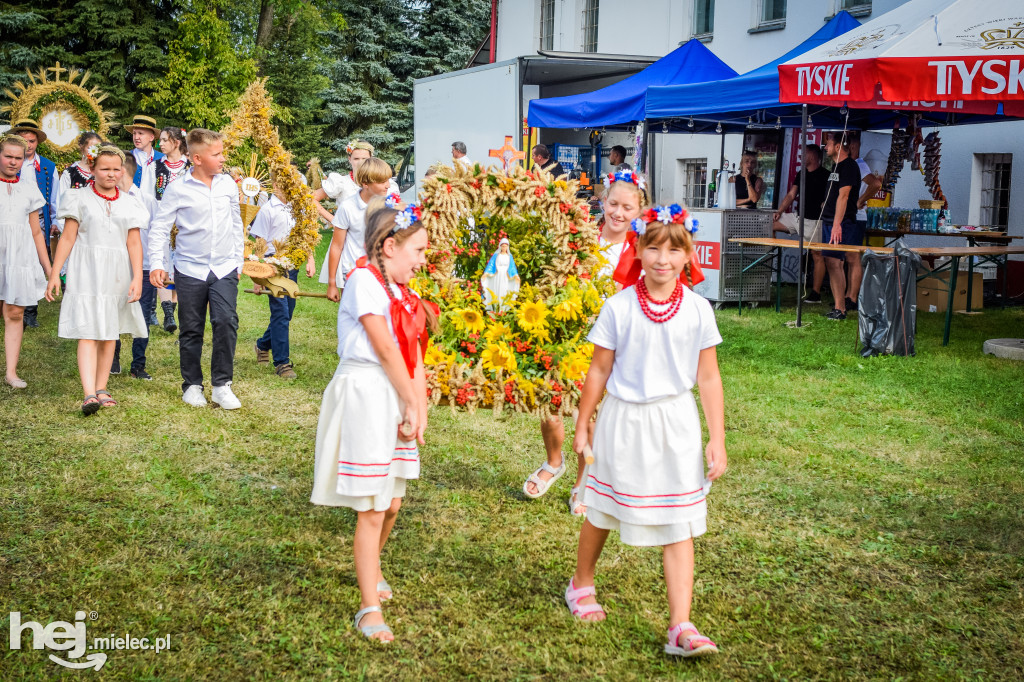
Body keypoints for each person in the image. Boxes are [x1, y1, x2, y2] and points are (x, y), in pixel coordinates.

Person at [565, 203, 726, 659]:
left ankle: (681, 624)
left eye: (673, 251)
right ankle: (582, 583)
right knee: (601, 509)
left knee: (680, 522)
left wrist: (717, 437)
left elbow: (709, 377)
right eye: (653, 248)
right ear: (638, 249)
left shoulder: (698, 309)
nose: (662, 260)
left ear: (688, 255)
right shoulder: (618, 307)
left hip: (676, 424)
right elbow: (597, 371)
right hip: (624, 420)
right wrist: (583, 424)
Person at [311, 202, 436, 643]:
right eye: (418, 250)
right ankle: (369, 608)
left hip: (394, 394)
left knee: (394, 502)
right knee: (372, 507)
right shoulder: (364, 280)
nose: (423, 260)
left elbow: (414, 354)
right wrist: (407, 398)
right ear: (389, 246)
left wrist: (416, 407)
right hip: (366, 392)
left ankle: (372, 566)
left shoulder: (403, 292)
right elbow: (384, 348)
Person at [523, 168, 648, 517]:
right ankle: (554, 461)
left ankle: (584, 480)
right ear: (603, 202)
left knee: (588, 414)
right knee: (549, 407)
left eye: (628, 207)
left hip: (609, 344)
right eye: (613, 204)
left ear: (639, 210)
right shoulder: (581, 238)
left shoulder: (641, 250)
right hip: (569, 330)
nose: (619, 213)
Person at [45, 145, 147, 415]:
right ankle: (89, 392)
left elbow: (134, 243)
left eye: (116, 169)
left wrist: (137, 277)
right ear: (92, 169)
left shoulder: (130, 202)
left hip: (117, 272)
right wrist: (55, 273)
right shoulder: (78, 198)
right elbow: (67, 238)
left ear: (123, 170)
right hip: (87, 270)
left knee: (109, 332)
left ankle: (102, 388)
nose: (111, 174)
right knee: (88, 331)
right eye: (105, 168)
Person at [148, 128, 244, 409]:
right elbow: (160, 228)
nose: (223, 158)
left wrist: (237, 261)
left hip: (224, 267)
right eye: (217, 154)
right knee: (191, 328)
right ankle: (191, 385)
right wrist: (158, 263)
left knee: (226, 321)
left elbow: (236, 224)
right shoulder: (178, 188)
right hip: (190, 269)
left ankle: (222, 385)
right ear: (198, 158)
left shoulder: (227, 185)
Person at [250, 182, 318, 379]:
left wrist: (310, 259)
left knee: (288, 312)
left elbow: (304, 237)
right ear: (276, 185)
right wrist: (257, 275)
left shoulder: (297, 208)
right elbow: (259, 243)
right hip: (271, 266)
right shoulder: (267, 210)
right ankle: (282, 363)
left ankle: (262, 345)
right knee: (280, 312)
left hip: (292, 265)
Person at [0, 134, 52, 388]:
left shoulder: (30, 188)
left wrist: (48, 268)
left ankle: (11, 372)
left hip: (19, 256)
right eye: (8, 156)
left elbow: (35, 231)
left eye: (18, 158)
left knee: (14, 311)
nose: (13, 162)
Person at [314, 139, 397, 283]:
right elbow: (311, 198)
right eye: (356, 158)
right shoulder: (341, 182)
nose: (360, 162)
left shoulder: (385, 185)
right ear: (349, 159)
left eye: (364, 158)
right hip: (347, 244)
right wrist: (333, 219)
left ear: (372, 159)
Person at [8, 119, 57, 329]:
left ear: (37, 143)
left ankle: (30, 310)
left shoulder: (47, 166)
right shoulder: (10, 162)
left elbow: (54, 197)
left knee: (35, 261)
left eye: (32, 141)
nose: (28, 145)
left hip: (38, 220)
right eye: (24, 140)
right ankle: (12, 302)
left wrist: (54, 220)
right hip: (14, 220)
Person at [111, 154, 156, 380]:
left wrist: (160, 264)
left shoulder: (145, 199)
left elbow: (157, 233)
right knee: (114, 309)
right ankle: (113, 358)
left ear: (123, 171)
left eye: (114, 169)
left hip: (144, 265)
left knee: (143, 314)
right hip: (117, 263)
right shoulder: (111, 199)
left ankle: (138, 364)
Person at [324, 158, 394, 299]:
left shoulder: (389, 205)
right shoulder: (348, 207)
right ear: (365, 184)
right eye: (382, 182)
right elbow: (337, 246)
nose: (387, 186)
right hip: (354, 273)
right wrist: (332, 283)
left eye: (388, 180)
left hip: (381, 272)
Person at [772, 144, 829, 303]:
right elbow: (791, 194)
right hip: (798, 218)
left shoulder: (826, 175)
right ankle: (768, 262)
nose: (801, 156)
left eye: (804, 153)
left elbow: (833, 197)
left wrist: (825, 204)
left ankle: (815, 293)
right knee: (770, 224)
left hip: (815, 220)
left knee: (817, 255)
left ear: (813, 156)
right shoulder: (801, 173)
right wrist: (780, 211)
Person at [819, 131, 863, 321]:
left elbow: (844, 197)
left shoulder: (849, 166)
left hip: (842, 222)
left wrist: (837, 225)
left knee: (836, 261)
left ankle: (841, 307)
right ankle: (839, 306)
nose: (825, 147)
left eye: (828, 144)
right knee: (831, 261)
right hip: (829, 220)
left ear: (838, 147)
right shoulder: (835, 166)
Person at [154, 126, 191, 333]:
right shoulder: (156, 166)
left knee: (180, 266)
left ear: (176, 143)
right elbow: (149, 195)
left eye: (165, 140)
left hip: (185, 223)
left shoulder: (189, 166)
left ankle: (174, 310)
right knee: (163, 263)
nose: (161, 144)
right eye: (160, 140)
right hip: (163, 220)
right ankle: (167, 312)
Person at [847, 132, 883, 312]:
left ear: (852, 147)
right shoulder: (851, 165)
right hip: (851, 216)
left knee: (853, 257)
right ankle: (848, 295)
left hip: (857, 217)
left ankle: (853, 298)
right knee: (849, 256)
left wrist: (860, 201)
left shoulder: (859, 165)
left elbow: (876, 184)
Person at [125, 115, 165, 203]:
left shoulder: (162, 159)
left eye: (140, 133)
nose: (136, 137)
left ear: (151, 137)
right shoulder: (126, 157)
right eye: (134, 133)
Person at [480, 237, 520, 310]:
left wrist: (516, 275)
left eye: (505, 246)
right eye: (503, 246)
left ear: (508, 247)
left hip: (505, 276)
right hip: (497, 275)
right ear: (500, 246)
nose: (504, 248)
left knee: (504, 290)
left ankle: (503, 308)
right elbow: (491, 265)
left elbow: (512, 267)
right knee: (496, 290)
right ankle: (494, 308)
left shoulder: (509, 256)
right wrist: (485, 273)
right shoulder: (496, 255)